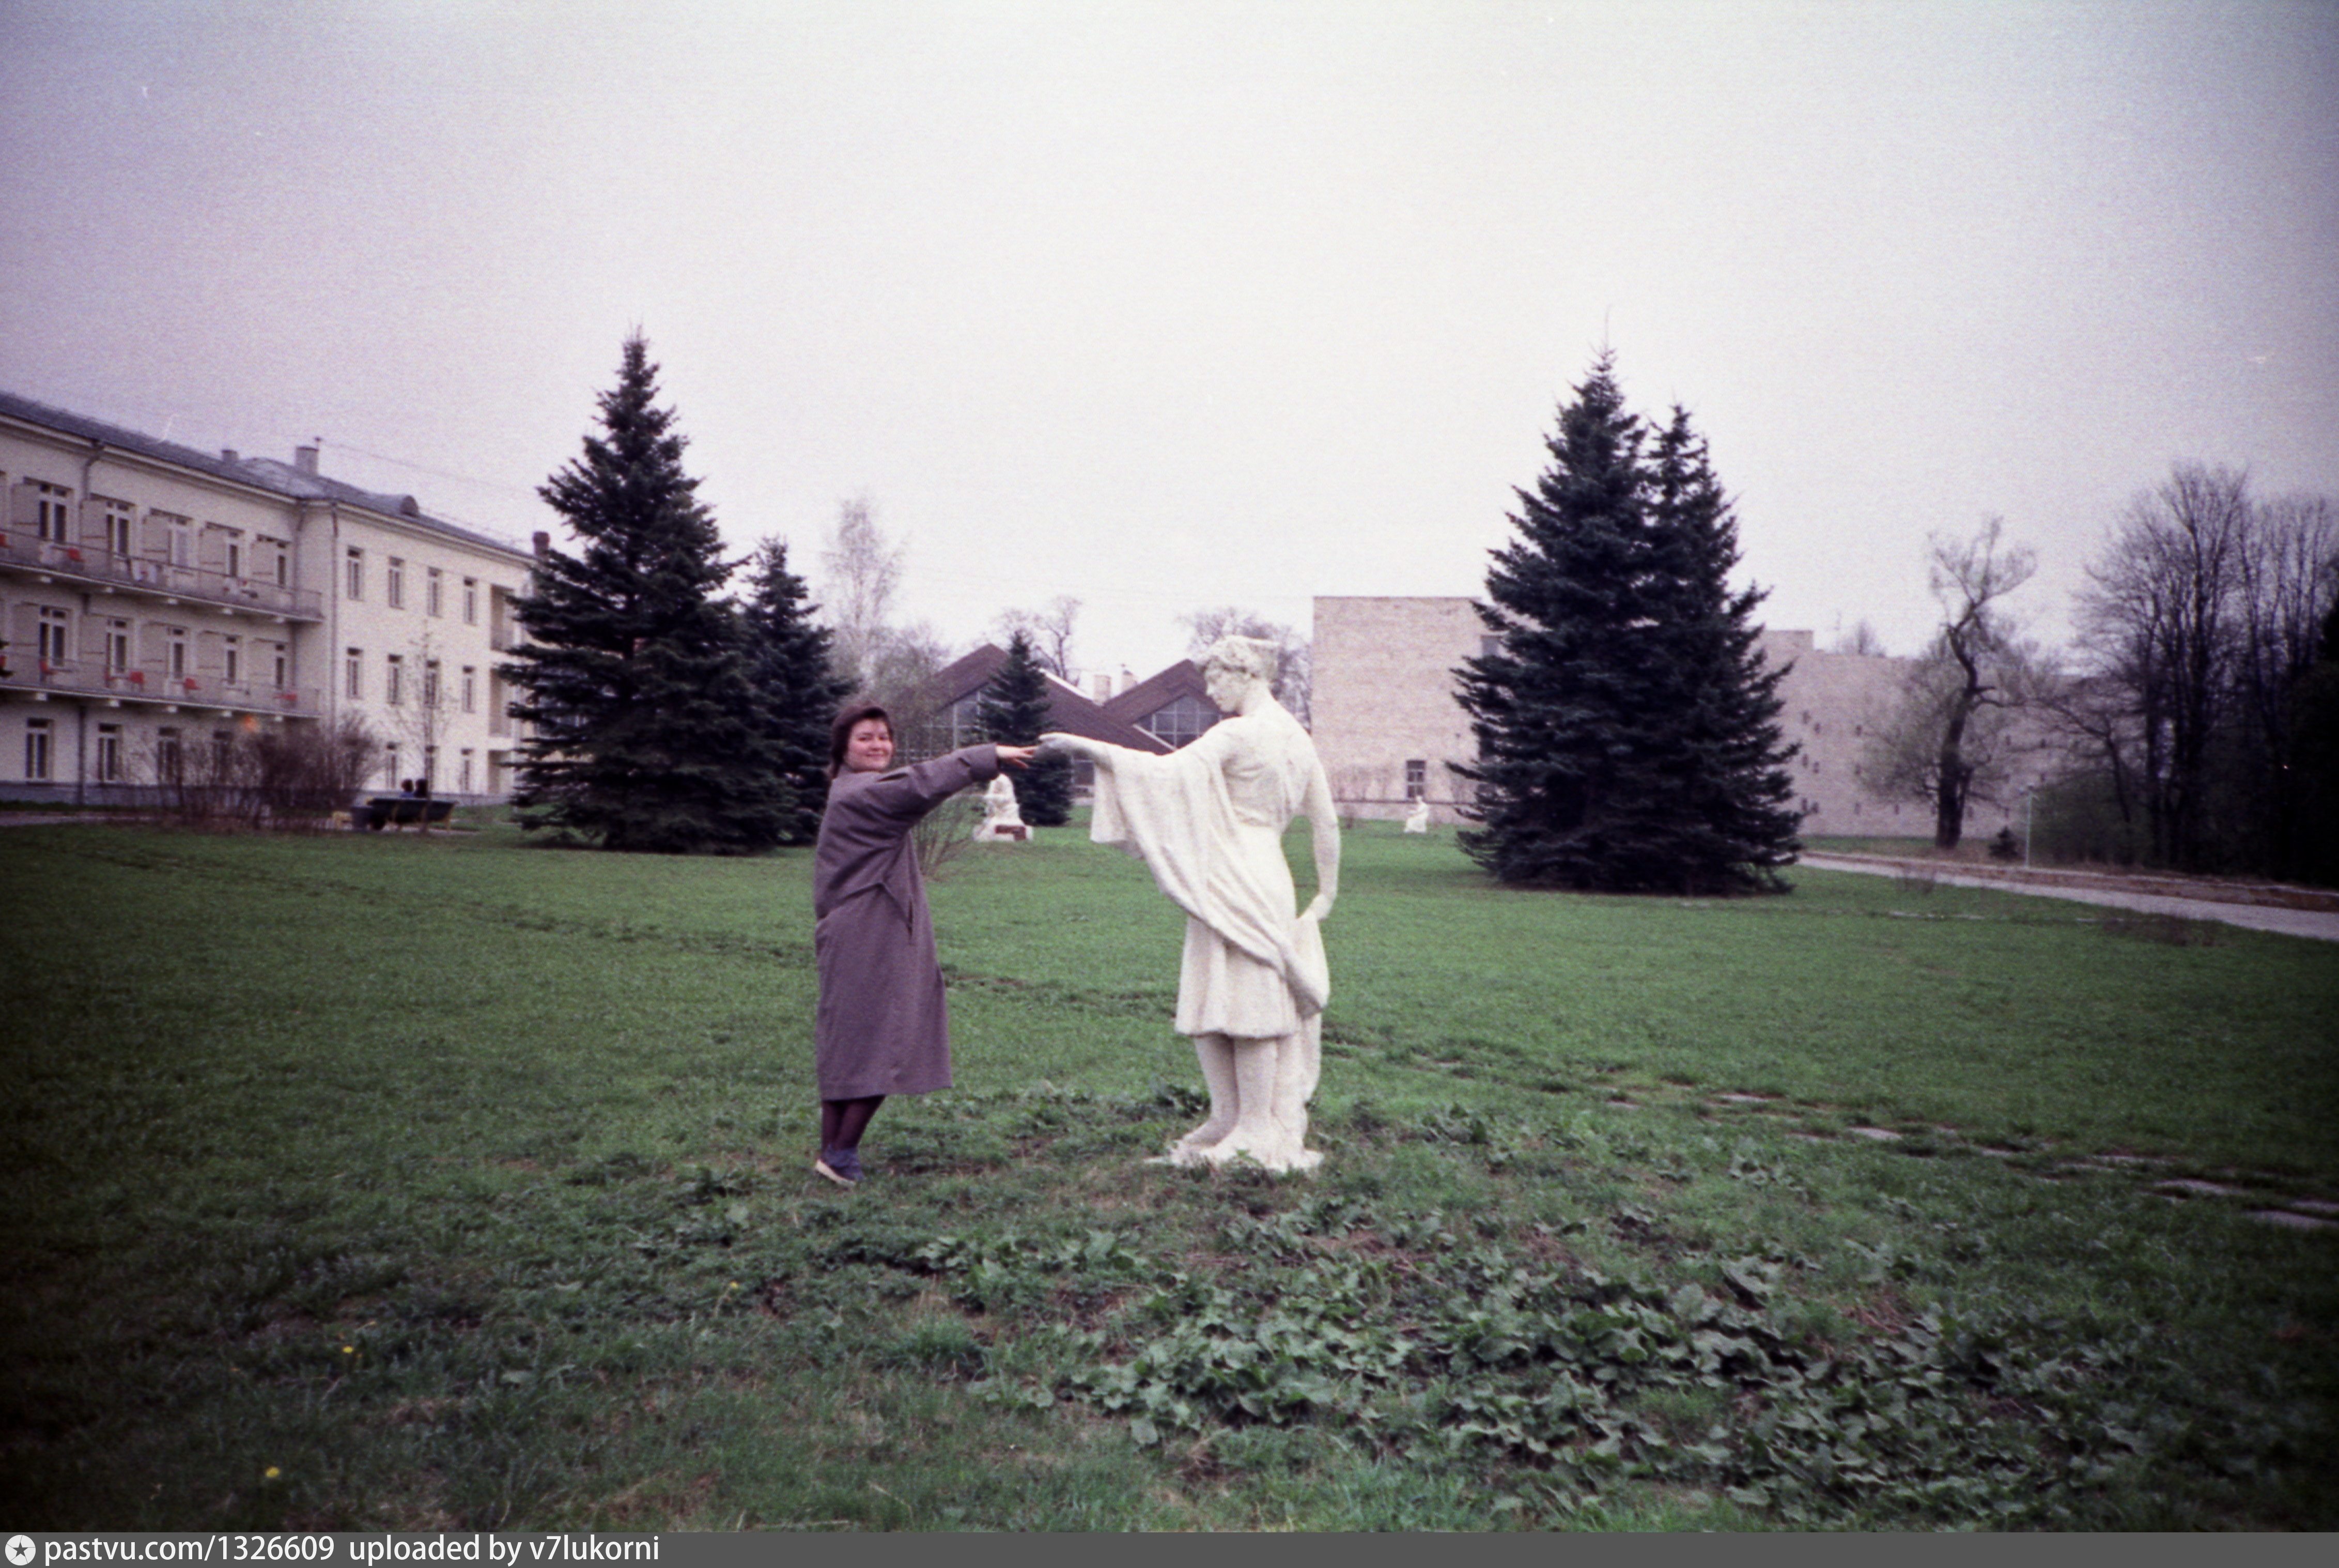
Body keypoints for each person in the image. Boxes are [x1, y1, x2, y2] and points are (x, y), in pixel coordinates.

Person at [1043, 635, 1339, 1172]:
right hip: (1264, 872)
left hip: (1236, 869)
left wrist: (1086, 746)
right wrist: (1325, 891)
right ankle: (1227, 1116)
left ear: (1246, 672)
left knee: (1249, 999)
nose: (1209, 688)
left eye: (1216, 676)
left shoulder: (1240, 732)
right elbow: (1326, 821)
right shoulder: (1299, 739)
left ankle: (1254, 1125)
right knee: (1212, 991)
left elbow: (1164, 774)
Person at [811, 703, 1035, 1187]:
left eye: (884, 737)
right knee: (889, 1039)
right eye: (865, 738)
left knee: (849, 1041)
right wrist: (986, 755)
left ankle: (833, 1153)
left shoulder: (848, 790)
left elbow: (910, 784)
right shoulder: (862, 793)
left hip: (855, 929)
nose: (878, 745)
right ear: (844, 749)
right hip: (869, 931)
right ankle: (842, 1153)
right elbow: (919, 783)